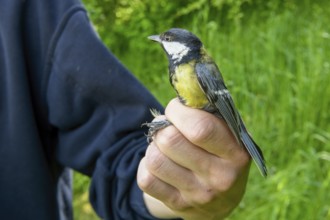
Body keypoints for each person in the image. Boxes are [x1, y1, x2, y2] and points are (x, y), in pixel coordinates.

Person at [0, 0, 251, 219]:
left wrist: (183, 181)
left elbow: (123, 153)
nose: (159, 41)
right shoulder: (180, 68)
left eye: (166, 39)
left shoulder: (34, 11)